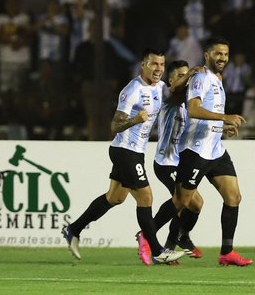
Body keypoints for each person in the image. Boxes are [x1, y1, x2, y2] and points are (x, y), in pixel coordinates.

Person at [62, 48, 185, 265]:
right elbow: (115, 125)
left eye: (162, 65)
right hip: (125, 150)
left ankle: (73, 229)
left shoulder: (160, 87)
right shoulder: (132, 91)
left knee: (115, 198)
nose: (158, 69)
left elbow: (178, 92)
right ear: (143, 65)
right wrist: (136, 120)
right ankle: (157, 250)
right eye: (154, 64)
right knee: (146, 197)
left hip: (135, 151)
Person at [174, 37, 253, 266]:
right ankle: (152, 237)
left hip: (215, 149)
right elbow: (194, 110)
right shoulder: (200, 78)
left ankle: (226, 252)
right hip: (196, 149)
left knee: (233, 197)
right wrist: (224, 117)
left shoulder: (218, 79)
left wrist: (223, 126)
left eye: (226, 54)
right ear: (207, 55)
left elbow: (209, 114)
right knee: (184, 201)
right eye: (218, 54)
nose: (223, 58)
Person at [140, 60, 206, 260]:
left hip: (181, 162)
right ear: (170, 80)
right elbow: (174, 89)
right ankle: (147, 236)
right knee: (183, 202)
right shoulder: (167, 95)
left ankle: (173, 242)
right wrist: (191, 74)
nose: (184, 79)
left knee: (195, 204)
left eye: (186, 75)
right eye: (179, 75)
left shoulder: (190, 103)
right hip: (165, 162)